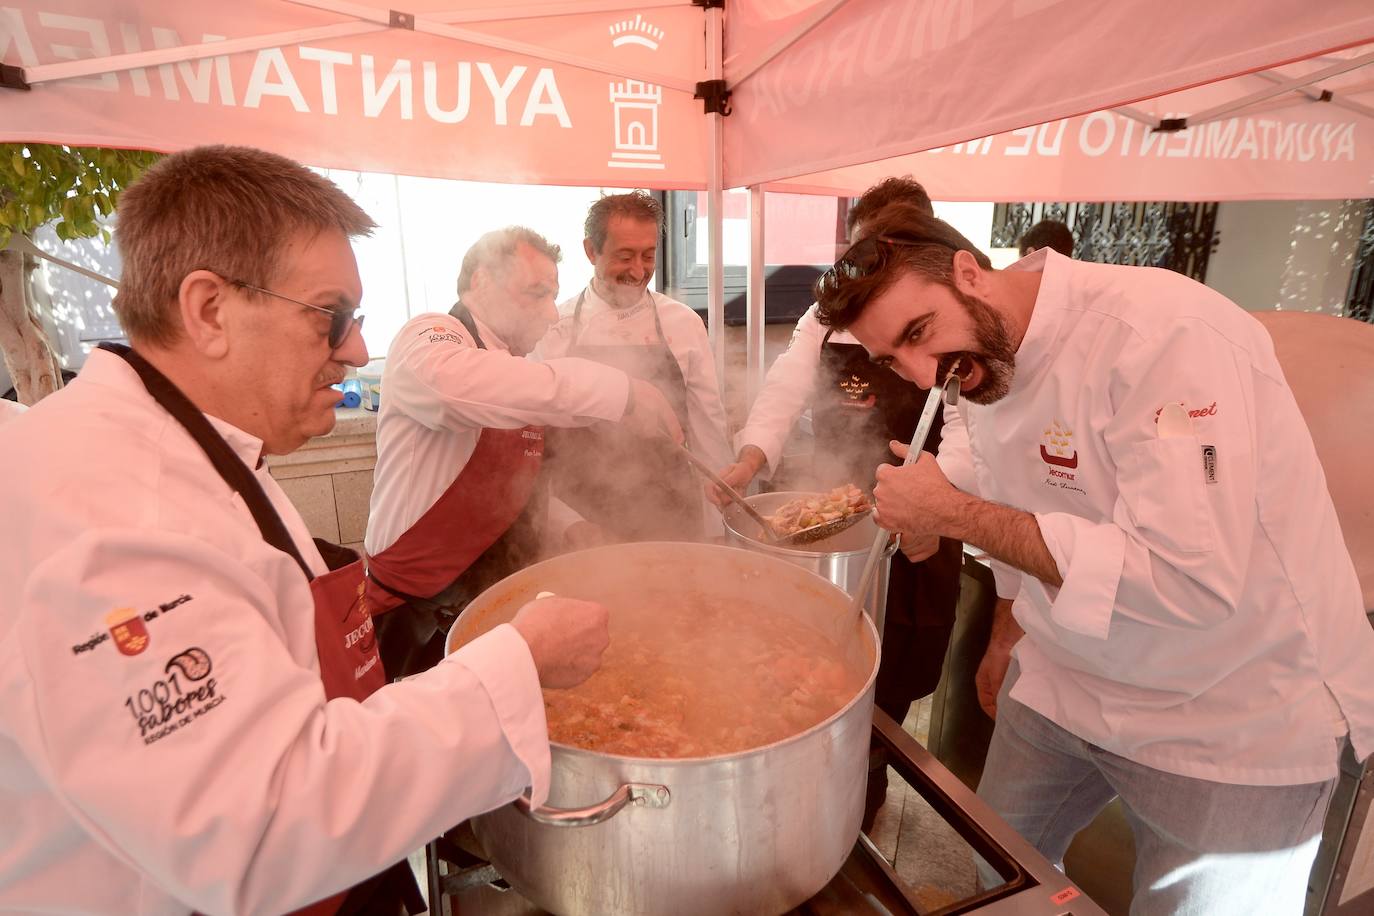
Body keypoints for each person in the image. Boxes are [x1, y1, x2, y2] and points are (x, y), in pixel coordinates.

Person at [0, 145, 612, 916]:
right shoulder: (119, 512)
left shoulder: (194, 447)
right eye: (333, 317)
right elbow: (257, 829)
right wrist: (519, 660)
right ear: (209, 309)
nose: (356, 350)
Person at [812, 203, 1374, 915]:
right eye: (895, 359)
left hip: (1230, 709)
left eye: (920, 333)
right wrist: (1005, 623)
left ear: (968, 273)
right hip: (1067, 679)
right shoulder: (978, 359)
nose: (925, 376)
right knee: (995, 881)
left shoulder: (1165, 335)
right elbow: (1003, 478)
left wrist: (950, 513)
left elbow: (1187, 579)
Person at [710, 177, 967, 828]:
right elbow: (782, 391)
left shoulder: (951, 320)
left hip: (926, 519)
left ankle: (865, 789)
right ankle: (808, 778)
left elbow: (971, 427)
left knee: (899, 669)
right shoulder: (825, 316)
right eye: (861, 256)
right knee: (816, 658)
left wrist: (940, 495)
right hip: (835, 525)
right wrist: (748, 460)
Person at [364, 226, 683, 676]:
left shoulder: (516, 372)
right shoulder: (430, 336)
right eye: (535, 294)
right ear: (480, 283)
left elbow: (507, 486)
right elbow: (458, 389)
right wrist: (623, 391)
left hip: (494, 592)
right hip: (419, 609)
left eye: (554, 295)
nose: (551, 313)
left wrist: (570, 525)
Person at [536, 191, 731, 541]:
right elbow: (534, 440)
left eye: (648, 255)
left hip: (672, 511)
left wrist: (721, 525)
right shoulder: (554, 326)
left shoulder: (683, 323)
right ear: (591, 251)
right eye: (624, 256)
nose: (638, 271)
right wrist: (563, 523)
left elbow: (708, 425)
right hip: (584, 515)